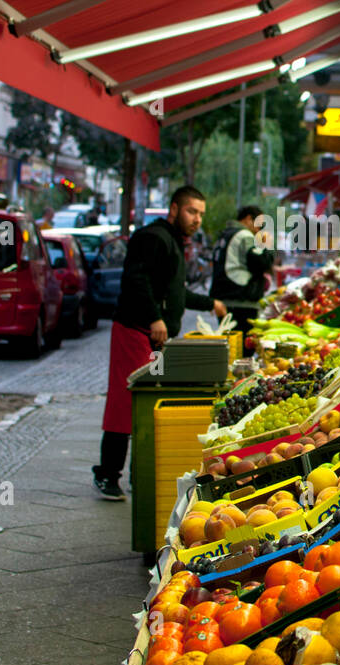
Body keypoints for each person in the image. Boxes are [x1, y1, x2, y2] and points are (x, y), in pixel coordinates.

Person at [95, 185, 226, 500]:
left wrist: (210, 303)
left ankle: (139, 474)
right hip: (135, 329)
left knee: (145, 404)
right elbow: (136, 280)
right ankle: (108, 474)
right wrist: (155, 318)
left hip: (153, 335)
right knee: (125, 403)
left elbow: (174, 292)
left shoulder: (173, 242)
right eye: (191, 211)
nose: (196, 219)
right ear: (174, 208)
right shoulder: (153, 238)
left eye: (200, 214)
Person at [210, 205, 274, 339]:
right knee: (243, 348)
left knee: (231, 345)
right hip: (240, 301)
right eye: (259, 225)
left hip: (224, 299)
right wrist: (267, 245)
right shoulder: (244, 235)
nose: (259, 230)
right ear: (249, 219)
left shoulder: (226, 234)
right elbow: (261, 263)